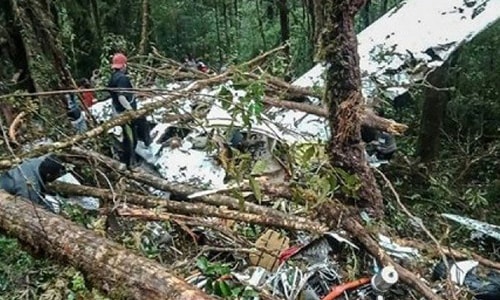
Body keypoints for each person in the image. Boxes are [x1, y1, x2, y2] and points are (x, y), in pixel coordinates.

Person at [107, 52, 152, 167]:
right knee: (131, 139)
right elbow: (121, 97)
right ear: (124, 65)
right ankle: (129, 164)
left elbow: (123, 95)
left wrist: (137, 94)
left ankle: (130, 160)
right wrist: (130, 111)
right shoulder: (122, 78)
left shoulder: (113, 77)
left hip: (119, 110)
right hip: (125, 114)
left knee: (131, 135)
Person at [0, 154, 66, 213]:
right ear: (48, 175)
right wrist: (51, 208)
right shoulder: (30, 186)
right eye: (56, 176)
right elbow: (32, 208)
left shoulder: (35, 162)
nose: (57, 177)